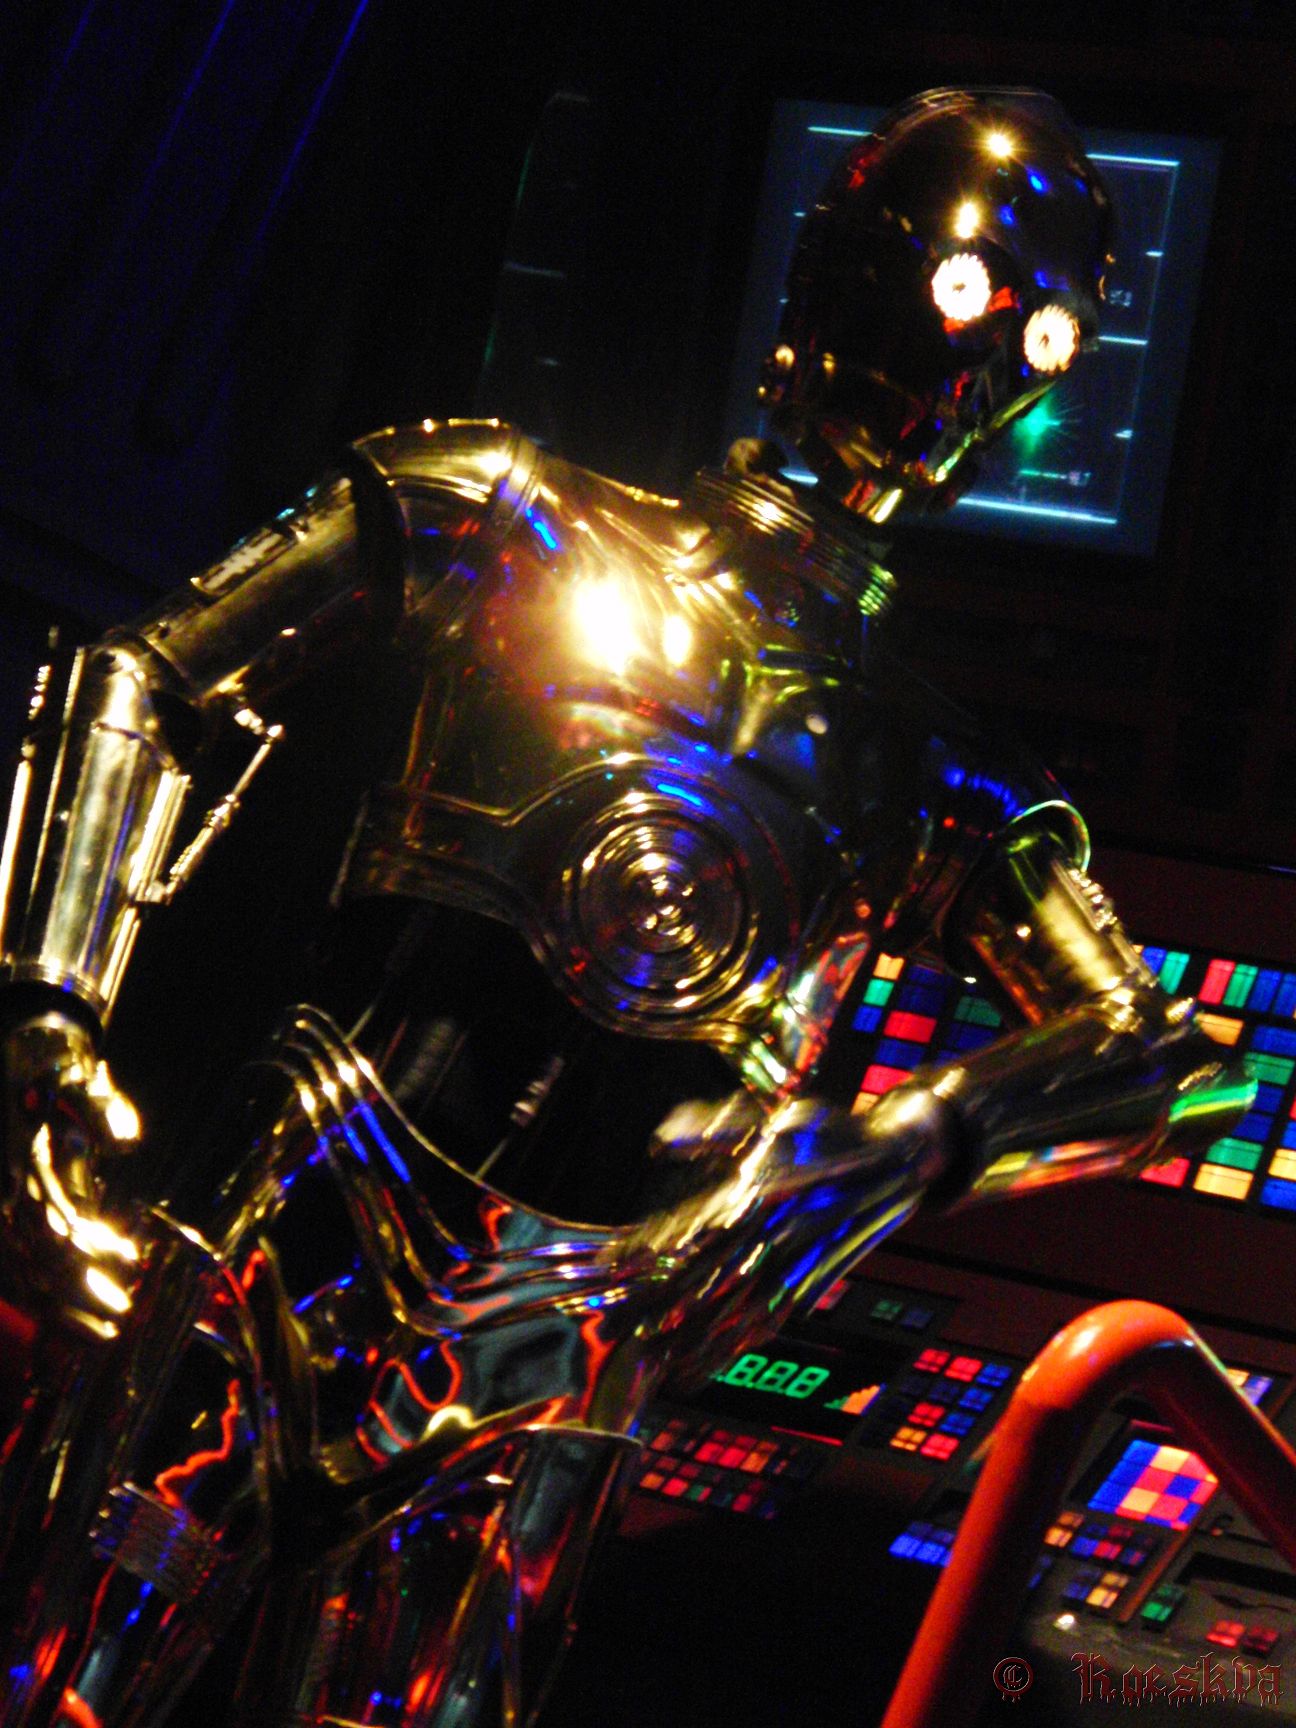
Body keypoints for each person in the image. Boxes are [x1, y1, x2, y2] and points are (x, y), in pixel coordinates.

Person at [0, 89, 1248, 1728]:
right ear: (839, 277)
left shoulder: (926, 767)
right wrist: (41, 1021)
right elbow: (141, 677)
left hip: (566, 1334)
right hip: (289, 1233)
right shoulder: (508, 516)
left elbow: (1157, 1049)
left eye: (1039, 336)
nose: (972, 364)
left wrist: (889, 1150)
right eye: (962, 290)